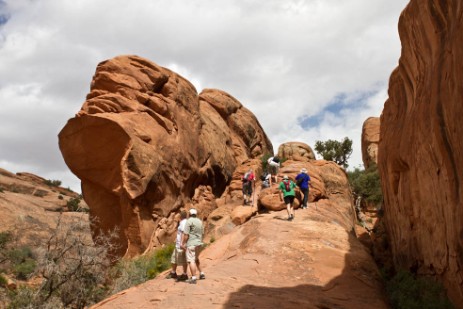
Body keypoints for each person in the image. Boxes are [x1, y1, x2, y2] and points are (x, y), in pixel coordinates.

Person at [181, 208, 205, 284]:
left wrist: (183, 243)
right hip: (199, 244)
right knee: (196, 259)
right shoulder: (200, 222)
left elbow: (186, 235)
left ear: (190, 214)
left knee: (191, 260)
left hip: (191, 244)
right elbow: (203, 233)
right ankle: (201, 274)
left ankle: (194, 278)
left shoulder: (189, 221)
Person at [167, 210, 189, 281]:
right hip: (179, 244)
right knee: (174, 258)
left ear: (180, 217)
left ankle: (185, 274)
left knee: (183, 260)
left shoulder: (183, 223)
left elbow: (183, 233)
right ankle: (173, 272)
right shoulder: (184, 222)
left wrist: (182, 244)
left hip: (181, 245)